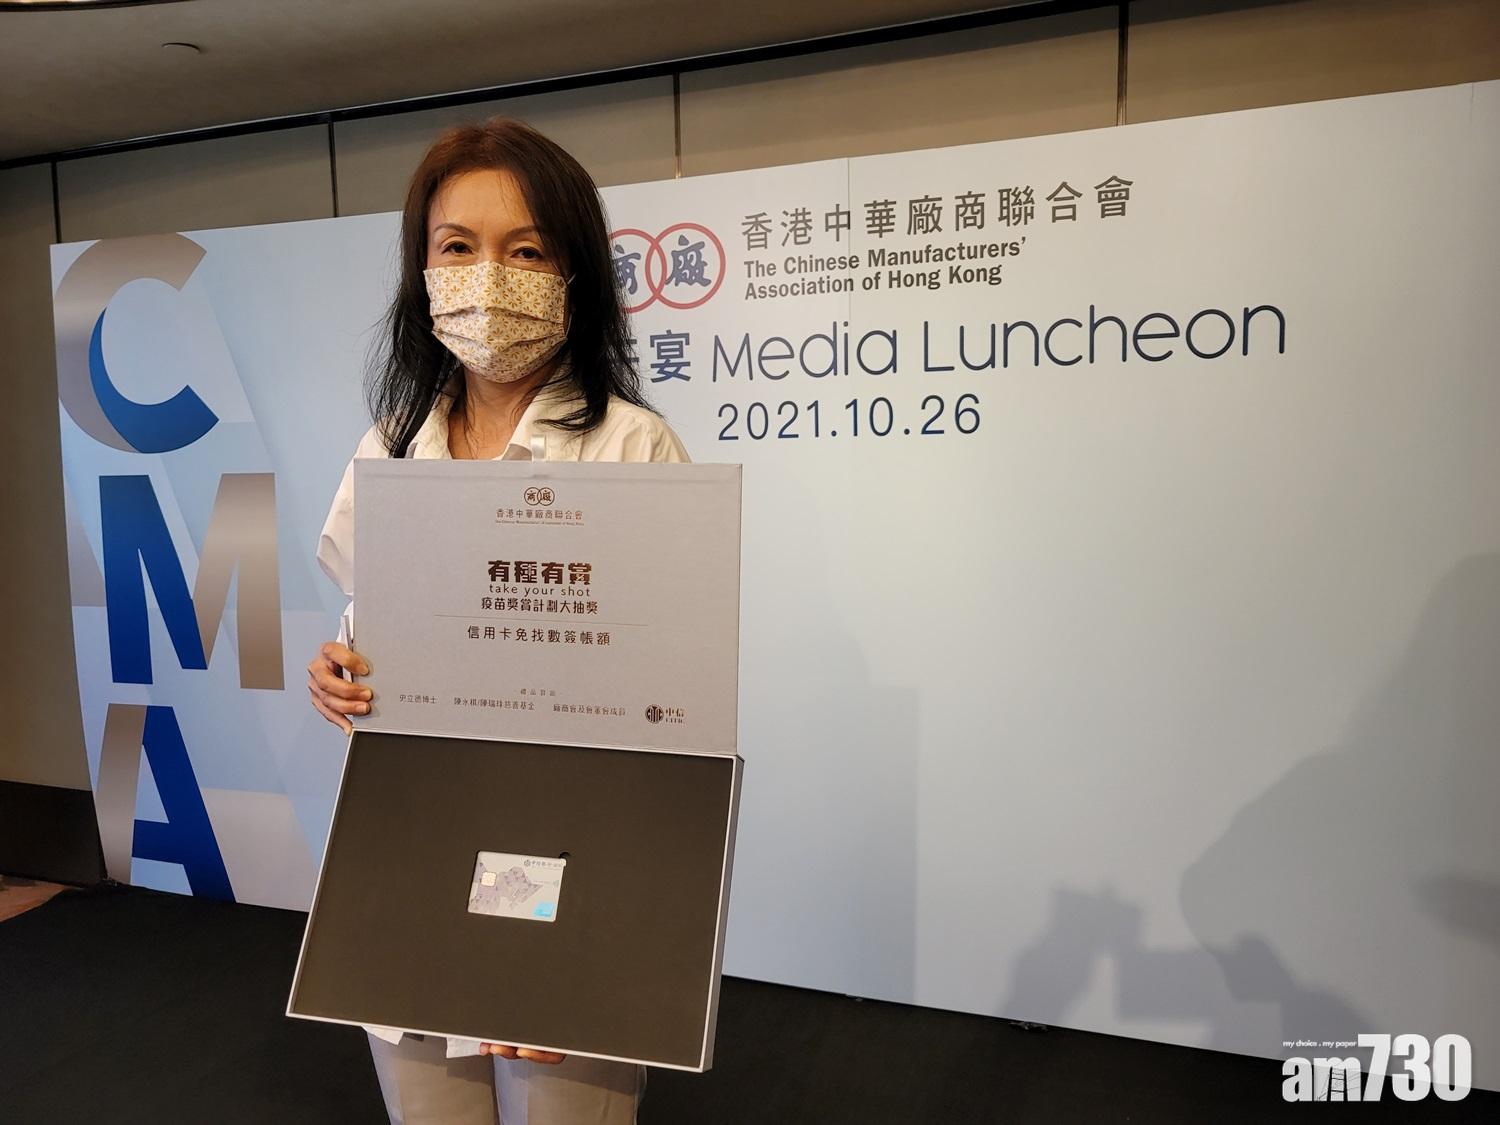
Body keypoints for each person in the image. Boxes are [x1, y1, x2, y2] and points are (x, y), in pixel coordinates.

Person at [306, 117, 687, 1125]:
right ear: (423, 273)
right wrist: (337, 670)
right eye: (456, 247)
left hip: (568, 852)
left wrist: (584, 929)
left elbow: (668, 712)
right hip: (413, 840)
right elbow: (369, 629)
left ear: (573, 274)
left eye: (525, 250)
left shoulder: (633, 449)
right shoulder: (391, 446)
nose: (487, 277)